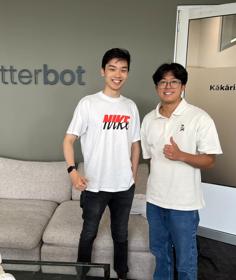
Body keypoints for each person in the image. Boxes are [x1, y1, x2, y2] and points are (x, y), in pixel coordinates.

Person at [63, 48, 140, 280]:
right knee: (88, 234)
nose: (118, 74)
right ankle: (82, 274)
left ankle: (122, 275)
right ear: (103, 71)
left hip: (124, 186)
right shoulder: (88, 104)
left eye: (123, 69)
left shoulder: (130, 106)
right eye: (112, 68)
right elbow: (68, 140)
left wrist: (132, 174)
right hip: (95, 186)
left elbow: (136, 144)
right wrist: (72, 172)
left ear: (127, 73)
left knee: (121, 235)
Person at [140, 63, 222, 280]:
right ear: (157, 86)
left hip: (184, 204)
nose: (168, 86)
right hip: (155, 202)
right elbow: (150, 160)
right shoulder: (149, 119)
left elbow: (210, 160)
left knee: (186, 259)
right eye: (162, 82)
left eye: (174, 81)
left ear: (183, 86)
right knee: (160, 254)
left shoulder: (199, 117)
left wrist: (181, 155)